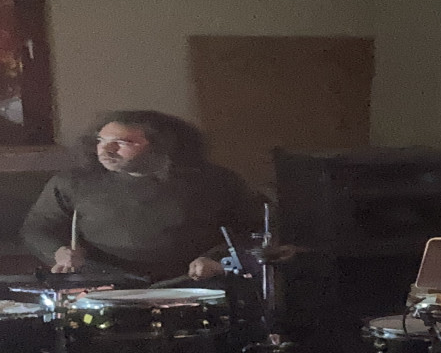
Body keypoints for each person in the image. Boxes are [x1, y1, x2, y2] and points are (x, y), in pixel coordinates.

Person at [21, 111, 262, 283]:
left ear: (159, 145)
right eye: (101, 141)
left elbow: (256, 231)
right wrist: (58, 252)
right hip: (104, 284)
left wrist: (217, 259)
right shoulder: (73, 182)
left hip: (190, 284)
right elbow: (38, 228)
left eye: (122, 142)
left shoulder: (214, 181)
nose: (106, 150)